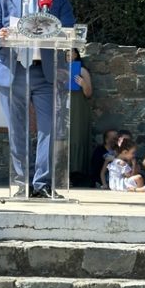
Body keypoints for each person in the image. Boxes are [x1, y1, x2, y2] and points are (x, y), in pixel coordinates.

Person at [0, 0, 75, 198]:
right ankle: (22, 184)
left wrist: (53, 32)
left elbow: (68, 29)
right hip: (12, 71)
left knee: (49, 129)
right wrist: (0, 37)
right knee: (17, 130)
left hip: (45, 71)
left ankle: (42, 184)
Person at [67, 48, 93, 187]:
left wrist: (83, 84)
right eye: (65, 52)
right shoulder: (58, 69)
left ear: (76, 54)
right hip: (62, 107)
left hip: (77, 106)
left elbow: (89, 93)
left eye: (70, 51)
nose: (67, 54)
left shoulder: (82, 70)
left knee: (76, 136)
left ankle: (75, 172)